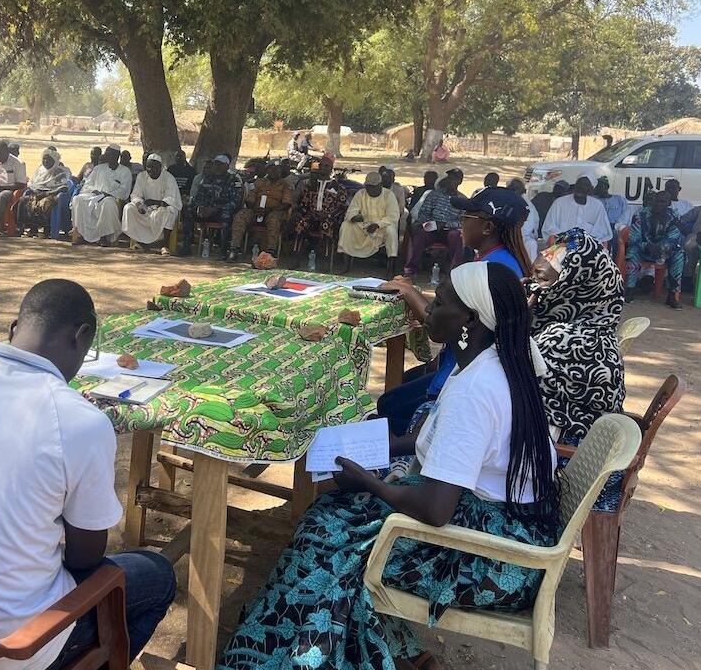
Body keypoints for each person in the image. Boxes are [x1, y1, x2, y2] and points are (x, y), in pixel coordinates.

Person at [218, 262, 558, 670]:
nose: (429, 309)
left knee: (327, 537)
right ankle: (394, 651)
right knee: (335, 515)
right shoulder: (490, 360)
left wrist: (370, 482)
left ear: (469, 317)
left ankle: (294, 658)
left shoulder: (476, 389)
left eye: (442, 301)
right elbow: (430, 438)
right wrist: (372, 445)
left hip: (496, 560)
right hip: (510, 521)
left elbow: (435, 510)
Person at [0, 280, 176, 670]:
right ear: (81, 337)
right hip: (9, 647)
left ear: (15, 328)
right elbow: (85, 557)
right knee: (157, 575)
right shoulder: (80, 421)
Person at [376, 188, 530, 436]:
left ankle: (399, 461)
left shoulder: (493, 268)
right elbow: (457, 308)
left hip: (462, 372)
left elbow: (444, 325)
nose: (460, 223)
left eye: (467, 217)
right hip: (464, 363)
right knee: (404, 383)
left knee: (388, 405)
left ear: (487, 227)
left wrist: (409, 292)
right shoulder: (501, 260)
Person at [528, 229, 625, 440]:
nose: (531, 286)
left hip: (566, 461)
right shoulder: (594, 327)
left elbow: (506, 380)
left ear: (572, 287)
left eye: (540, 280)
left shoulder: (568, 340)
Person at [624, 190, 686, 308]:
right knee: (633, 250)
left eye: (663, 202)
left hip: (665, 250)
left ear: (668, 204)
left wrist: (662, 247)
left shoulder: (674, 216)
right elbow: (634, 236)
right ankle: (630, 290)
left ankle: (672, 296)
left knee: (679, 255)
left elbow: (674, 236)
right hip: (643, 248)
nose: (658, 204)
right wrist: (647, 246)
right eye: (656, 201)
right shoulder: (640, 214)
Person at [286, 154, 347, 265]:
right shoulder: (310, 185)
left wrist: (328, 215)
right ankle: (295, 257)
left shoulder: (338, 187)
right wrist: (309, 212)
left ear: (331, 169)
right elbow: (303, 203)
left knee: (326, 225)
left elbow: (341, 207)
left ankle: (326, 260)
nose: (323, 168)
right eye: (322, 166)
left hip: (328, 218)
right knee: (301, 224)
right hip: (311, 215)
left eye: (326, 166)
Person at [178, 154, 243, 256]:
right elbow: (198, 197)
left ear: (227, 166)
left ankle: (223, 250)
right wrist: (201, 207)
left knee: (226, 215)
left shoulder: (233, 180)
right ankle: (187, 245)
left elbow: (236, 202)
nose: (217, 167)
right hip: (205, 211)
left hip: (221, 212)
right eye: (215, 164)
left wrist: (216, 209)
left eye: (220, 165)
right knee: (188, 209)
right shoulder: (207, 179)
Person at [227, 161, 293, 261]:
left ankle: (271, 252)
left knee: (273, 219)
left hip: (275, 211)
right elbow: (249, 199)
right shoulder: (259, 182)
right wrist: (255, 208)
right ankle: (234, 249)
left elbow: (286, 204)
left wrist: (269, 210)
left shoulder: (286, 185)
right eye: (271, 169)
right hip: (256, 210)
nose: (274, 171)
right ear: (267, 170)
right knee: (241, 215)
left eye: (276, 169)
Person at [337, 172, 401, 273]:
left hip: (381, 228)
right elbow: (351, 211)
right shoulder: (361, 193)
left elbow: (393, 216)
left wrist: (377, 225)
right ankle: (346, 265)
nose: (369, 190)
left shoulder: (389, 195)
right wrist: (355, 217)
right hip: (364, 227)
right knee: (346, 226)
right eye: (368, 187)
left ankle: (391, 269)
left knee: (391, 231)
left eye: (372, 187)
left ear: (380, 185)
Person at [71, 144, 132, 246]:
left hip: (111, 198)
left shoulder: (125, 171)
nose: (106, 156)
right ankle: (82, 234)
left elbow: (124, 190)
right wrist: (94, 191)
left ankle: (104, 237)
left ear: (116, 155)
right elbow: (88, 184)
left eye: (109, 154)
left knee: (107, 203)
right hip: (94, 195)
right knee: (78, 199)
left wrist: (108, 194)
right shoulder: (99, 168)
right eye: (106, 153)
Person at [404, 173, 464, 276]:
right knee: (420, 234)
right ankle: (412, 268)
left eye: (454, 180)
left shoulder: (462, 200)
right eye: (449, 179)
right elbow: (423, 213)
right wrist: (431, 223)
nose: (451, 182)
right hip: (432, 227)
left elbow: (462, 221)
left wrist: (446, 224)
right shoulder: (434, 195)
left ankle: (455, 270)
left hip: (449, 231)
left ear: (460, 182)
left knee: (456, 236)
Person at [122, 153, 182, 253]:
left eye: (154, 167)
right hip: (147, 208)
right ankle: (141, 242)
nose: (150, 170)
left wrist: (155, 202)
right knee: (129, 208)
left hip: (162, 207)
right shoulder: (142, 176)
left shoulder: (168, 178)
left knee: (170, 211)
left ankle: (165, 244)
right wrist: (139, 204)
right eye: (148, 167)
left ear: (160, 167)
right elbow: (136, 195)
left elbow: (171, 198)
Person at [18, 146, 72, 237]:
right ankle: (31, 228)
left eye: (48, 160)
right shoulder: (41, 170)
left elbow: (63, 187)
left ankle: (47, 229)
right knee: (23, 200)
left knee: (45, 204)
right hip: (38, 193)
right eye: (44, 159)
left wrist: (47, 193)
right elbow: (34, 183)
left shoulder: (60, 172)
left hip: (52, 194)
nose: (45, 162)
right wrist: (35, 191)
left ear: (54, 161)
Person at [541, 175, 612, 244]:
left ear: (591, 189)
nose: (581, 187)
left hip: (588, 246)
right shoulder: (559, 202)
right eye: (579, 184)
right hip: (563, 244)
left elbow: (603, 232)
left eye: (585, 185)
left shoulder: (597, 205)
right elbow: (549, 228)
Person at [508, 178, 541, 260]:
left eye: (517, 189)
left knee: (532, 245)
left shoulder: (528, 206)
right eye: (514, 189)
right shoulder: (506, 202)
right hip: (508, 239)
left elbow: (530, 228)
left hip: (524, 240)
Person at [380, 166, 409, 238]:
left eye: (388, 178)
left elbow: (400, 209)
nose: (385, 180)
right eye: (384, 178)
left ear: (393, 180)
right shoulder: (376, 190)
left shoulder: (399, 190)